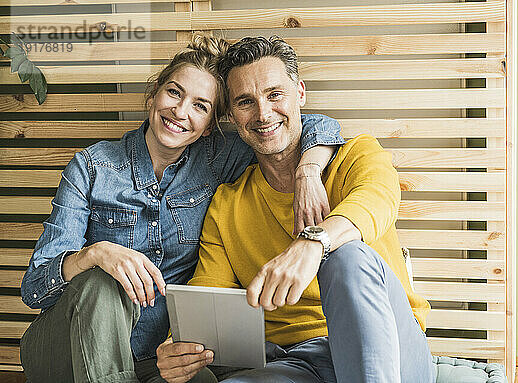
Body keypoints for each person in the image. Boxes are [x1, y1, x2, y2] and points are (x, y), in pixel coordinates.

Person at [19, 33, 344, 383]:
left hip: (155, 357)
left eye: (201, 105)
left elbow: (304, 126)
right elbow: (34, 286)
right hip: (66, 348)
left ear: (210, 127)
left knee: (201, 380)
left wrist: (308, 170)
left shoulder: (218, 159)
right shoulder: (92, 166)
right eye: (174, 92)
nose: (180, 111)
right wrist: (95, 254)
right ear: (154, 95)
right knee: (100, 282)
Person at [156, 36, 436, 383]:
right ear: (231, 115)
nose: (263, 113)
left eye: (275, 94)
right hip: (292, 363)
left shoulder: (356, 156)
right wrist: (178, 347)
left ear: (299, 93)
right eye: (245, 102)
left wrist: (313, 243)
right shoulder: (227, 205)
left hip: (392, 348)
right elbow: (207, 302)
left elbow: (377, 200)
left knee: (347, 257)